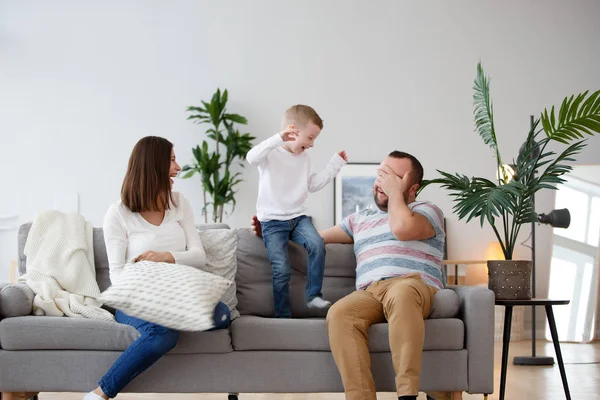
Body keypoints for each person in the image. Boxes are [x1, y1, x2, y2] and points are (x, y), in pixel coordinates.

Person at [252, 151, 446, 400]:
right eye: (381, 174)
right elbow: (312, 239)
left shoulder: (427, 211)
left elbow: (401, 228)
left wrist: (395, 194)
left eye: (393, 177)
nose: (383, 182)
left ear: (413, 188)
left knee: (402, 292)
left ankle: (407, 394)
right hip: (370, 292)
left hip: (413, 286)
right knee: (340, 312)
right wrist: (271, 229)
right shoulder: (359, 219)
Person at [84, 136, 230, 400]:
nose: (178, 167)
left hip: (179, 292)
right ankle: (98, 394)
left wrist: (166, 257)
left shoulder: (179, 203)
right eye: (172, 160)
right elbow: (117, 275)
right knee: (163, 334)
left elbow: (199, 255)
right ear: (153, 166)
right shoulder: (118, 213)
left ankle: (171, 315)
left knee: (221, 315)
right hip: (135, 298)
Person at [246, 104, 347, 318]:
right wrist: (278, 138)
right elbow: (251, 157)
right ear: (292, 131)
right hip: (272, 223)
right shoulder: (270, 154)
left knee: (317, 244)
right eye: (310, 138)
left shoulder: (304, 159)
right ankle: (283, 315)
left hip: (298, 219)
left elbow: (312, 184)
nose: (312, 144)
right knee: (281, 269)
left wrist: (334, 165)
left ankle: (313, 296)